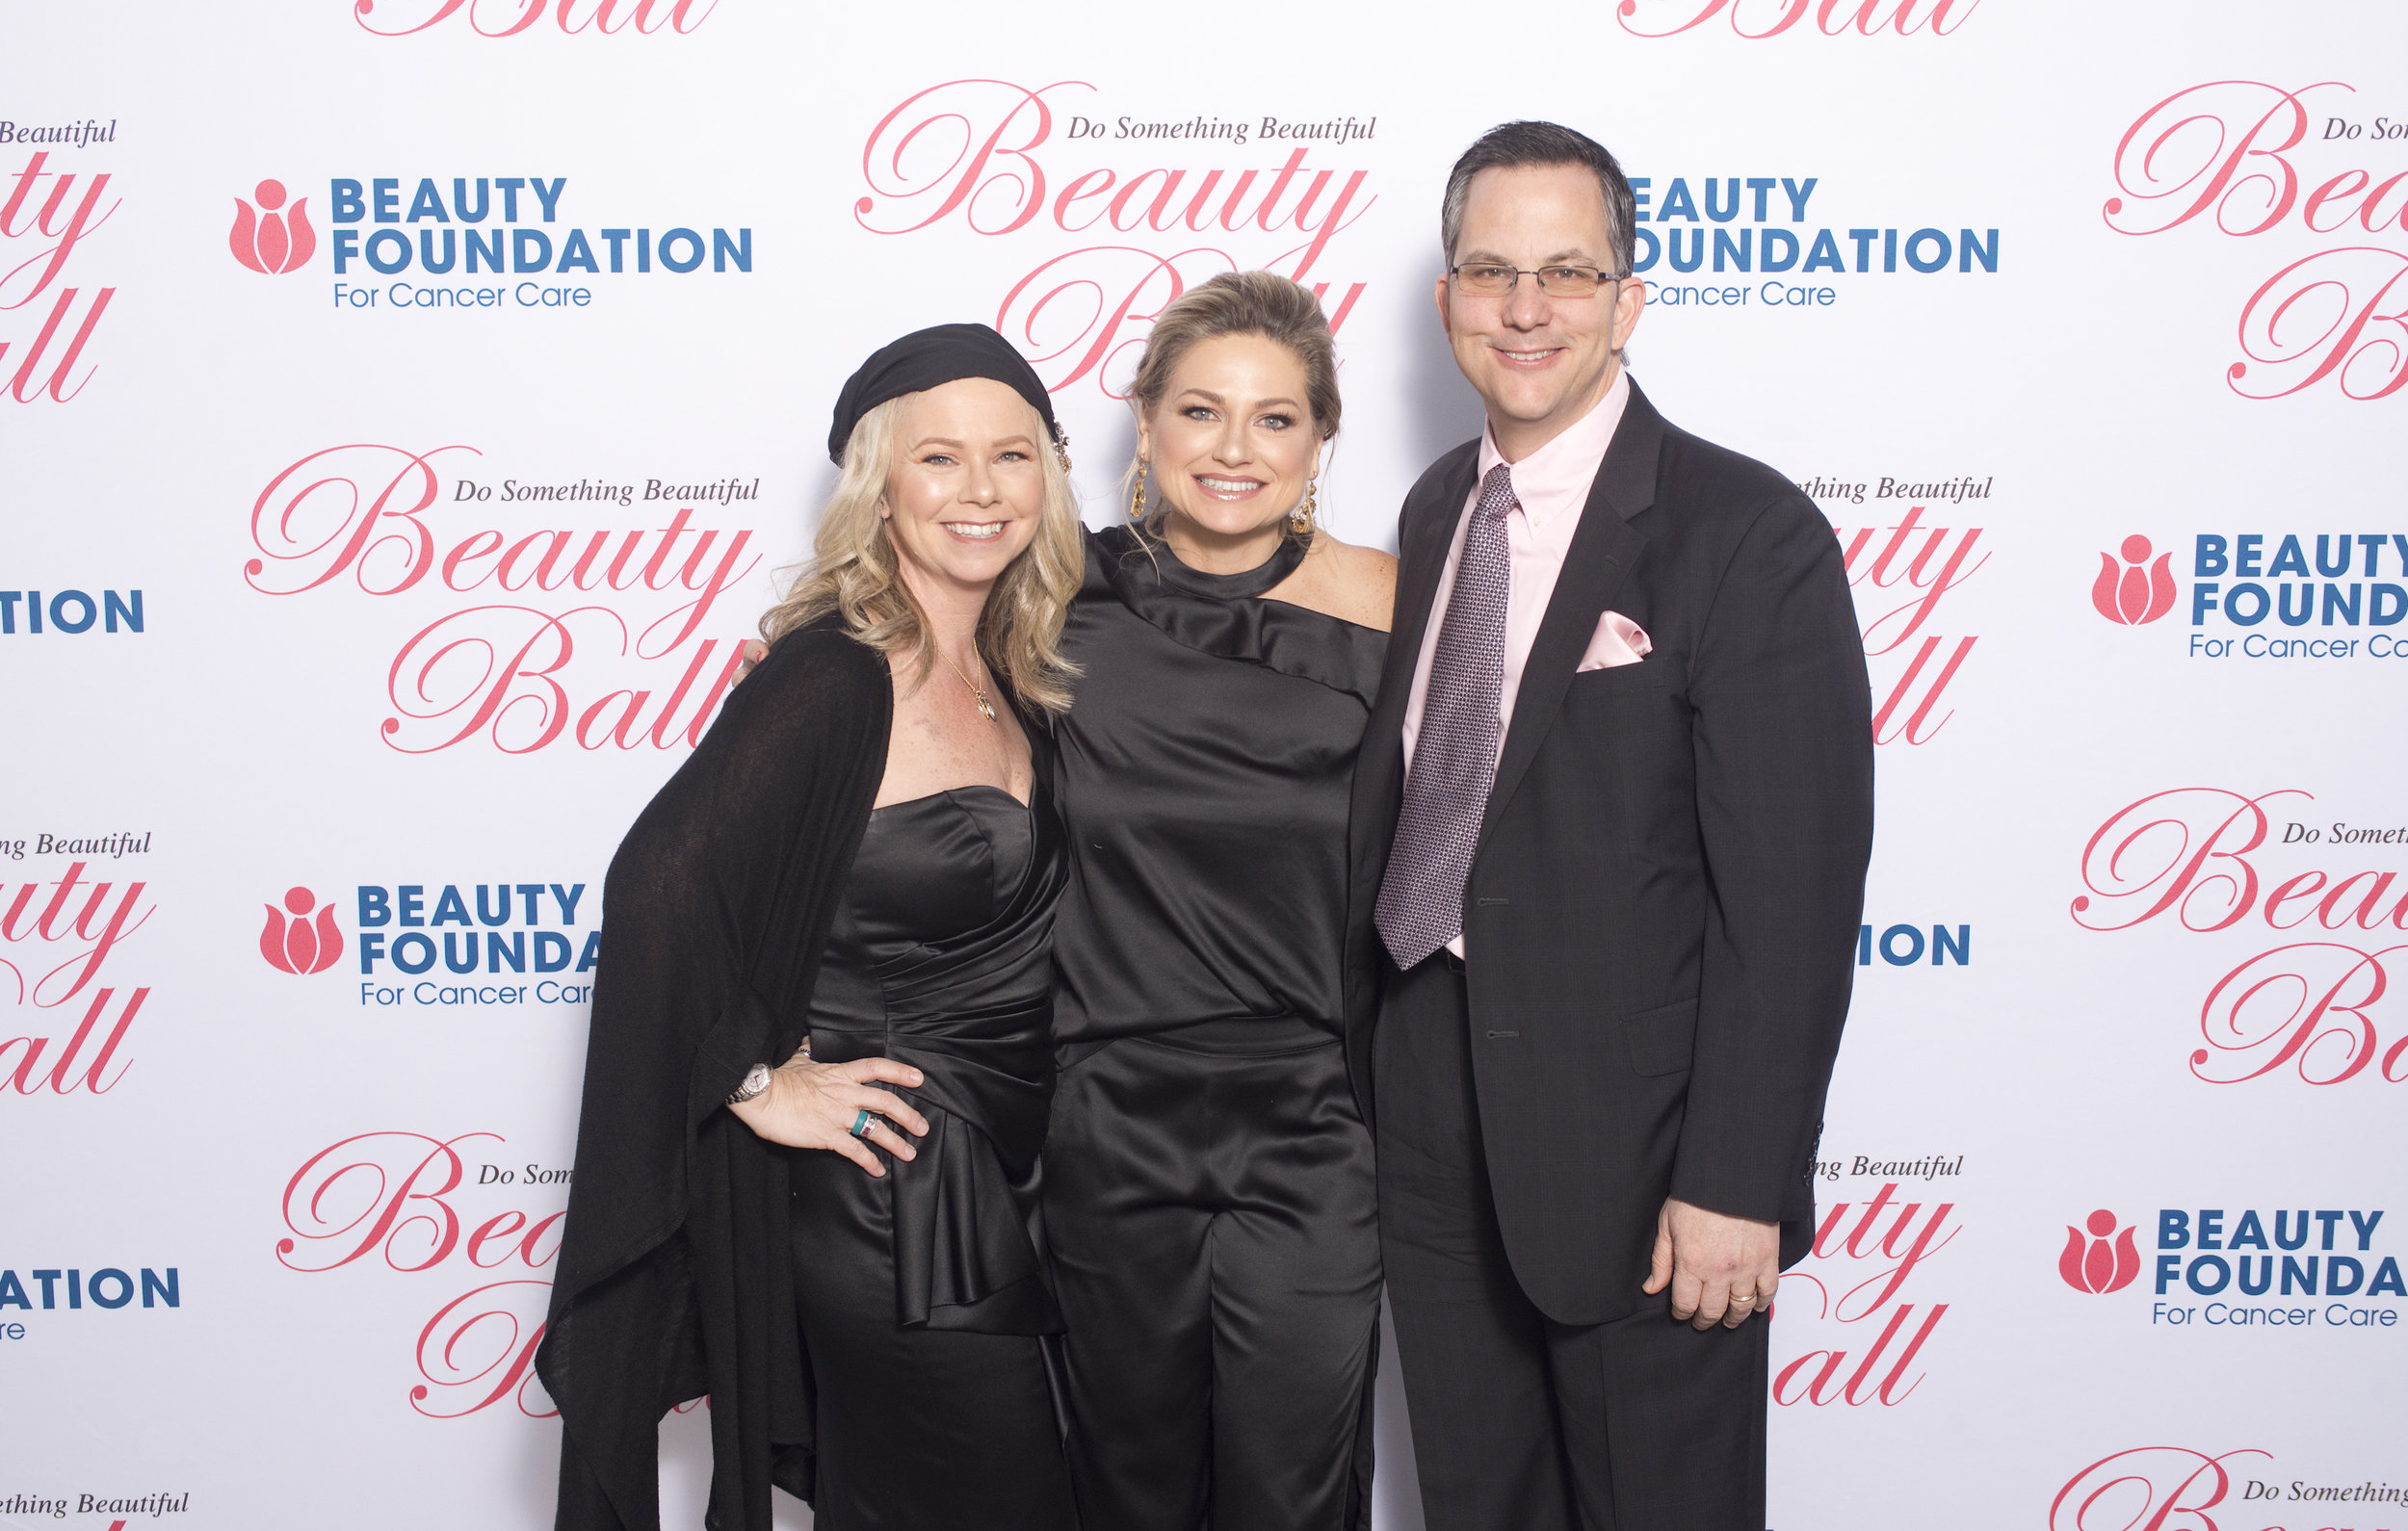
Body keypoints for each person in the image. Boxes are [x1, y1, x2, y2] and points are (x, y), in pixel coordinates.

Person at [1349, 122, 1874, 1531]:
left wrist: (1736, 1183)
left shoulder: (1745, 532)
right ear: (1446, 299)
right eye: (1491, 271)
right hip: (1429, 1123)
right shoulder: (1435, 508)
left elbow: (1792, 904)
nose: (1526, 308)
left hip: (1646, 1166)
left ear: (1629, 299)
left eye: (1568, 273)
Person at [536, 324, 1086, 1531]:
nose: (982, 489)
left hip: (1015, 1170)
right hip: (898, 1198)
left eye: (1012, 455)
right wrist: (751, 1081)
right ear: (880, 486)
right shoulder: (836, 675)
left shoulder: (1011, 668)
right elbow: (656, 888)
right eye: (939, 457)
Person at [1043, 271, 1397, 1531]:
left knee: (1293, 1498)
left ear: (1320, 438)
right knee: (1125, 1494)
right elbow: (889, 680)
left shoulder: (1395, 605)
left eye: (1274, 417)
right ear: (1145, 422)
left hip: (1316, 1123)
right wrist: (801, 676)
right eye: (1200, 411)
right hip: (1106, 1120)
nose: (1234, 449)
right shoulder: (1045, 594)